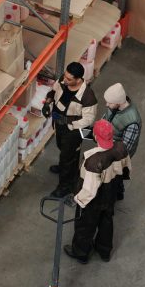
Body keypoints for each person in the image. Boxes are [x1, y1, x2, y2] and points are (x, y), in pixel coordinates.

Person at [64, 119, 131, 264]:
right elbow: (126, 168)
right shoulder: (121, 148)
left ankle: (81, 252)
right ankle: (104, 251)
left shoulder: (93, 161)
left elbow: (90, 189)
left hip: (95, 199)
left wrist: (78, 200)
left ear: (95, 136)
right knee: (106, 220)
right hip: (111, 192)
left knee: (85, 225)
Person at [42, 62, 97, 198]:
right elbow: (53, 91)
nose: (65, 80)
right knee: (61, 147)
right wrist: (48, 103)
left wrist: (68, 122)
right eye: (65, 76)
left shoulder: (88, 97)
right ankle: (64, 167)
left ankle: (66, 186)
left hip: (73, 130)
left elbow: (88, 120)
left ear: (78, 79)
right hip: (59, 124)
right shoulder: (63, 81)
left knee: (69, 156)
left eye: (69, 79)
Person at [102, 82, 141, 200]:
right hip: (108, 145)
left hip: (117, 155)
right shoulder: (114, 106)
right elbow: (106, 118)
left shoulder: (132, 121)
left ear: (118, 102)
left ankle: (117, 194)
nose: (106, 104)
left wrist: (107, 144)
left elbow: (124, 149)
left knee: (116, 176)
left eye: (109, 102)